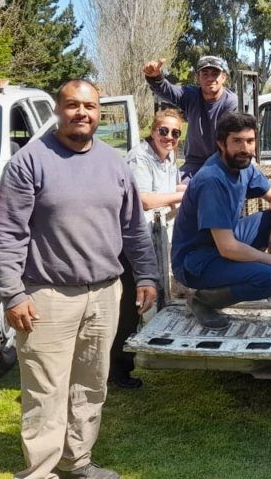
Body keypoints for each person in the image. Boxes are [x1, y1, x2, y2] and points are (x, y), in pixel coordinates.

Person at [0, 80, 159, 479]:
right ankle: (39, 472)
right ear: (57, 110)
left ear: (99, 112)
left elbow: (134, 227)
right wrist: (12, 294)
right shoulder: (29, 162)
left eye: (90, 106)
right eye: (72, 105)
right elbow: (7, 233)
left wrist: (148, 273)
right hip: (47, 295)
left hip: (104, 294)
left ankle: (77, 462)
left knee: (90, 387)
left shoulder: (114, 163)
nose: (81, 113)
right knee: (46, 391)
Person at [171, 112, 271, 329]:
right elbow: (228, 247)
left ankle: (245, 269)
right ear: (221, 143)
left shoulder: (245, 166)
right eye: (237, 141)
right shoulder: (211, 180)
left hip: (222, 241)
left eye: (250, 141)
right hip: (195, 261)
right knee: (268, 279)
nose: (245, 148)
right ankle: (201, 300)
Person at [109, 108, 186, 389]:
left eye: (175, 133)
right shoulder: (139, 157)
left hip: (153, 239)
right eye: (163, 131)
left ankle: (130, 358)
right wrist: (182, 194)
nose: (169, 137)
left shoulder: (170, 157)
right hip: (130, 240)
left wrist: (183, 188)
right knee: (130, 304)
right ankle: (116, 371)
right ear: (153, 131)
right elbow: (144, 200)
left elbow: (168, 190)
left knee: (146, 299)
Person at [143, 55, 239, 180]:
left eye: (215, 73)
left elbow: (231, 141)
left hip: (222, 163)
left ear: (223, 77)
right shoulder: (190, 96)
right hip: (194, 164)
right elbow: (167, 90)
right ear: (197, 78)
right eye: (205, 74)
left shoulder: (231, 103)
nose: (210, 78)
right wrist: (155, 77)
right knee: (172, 189)